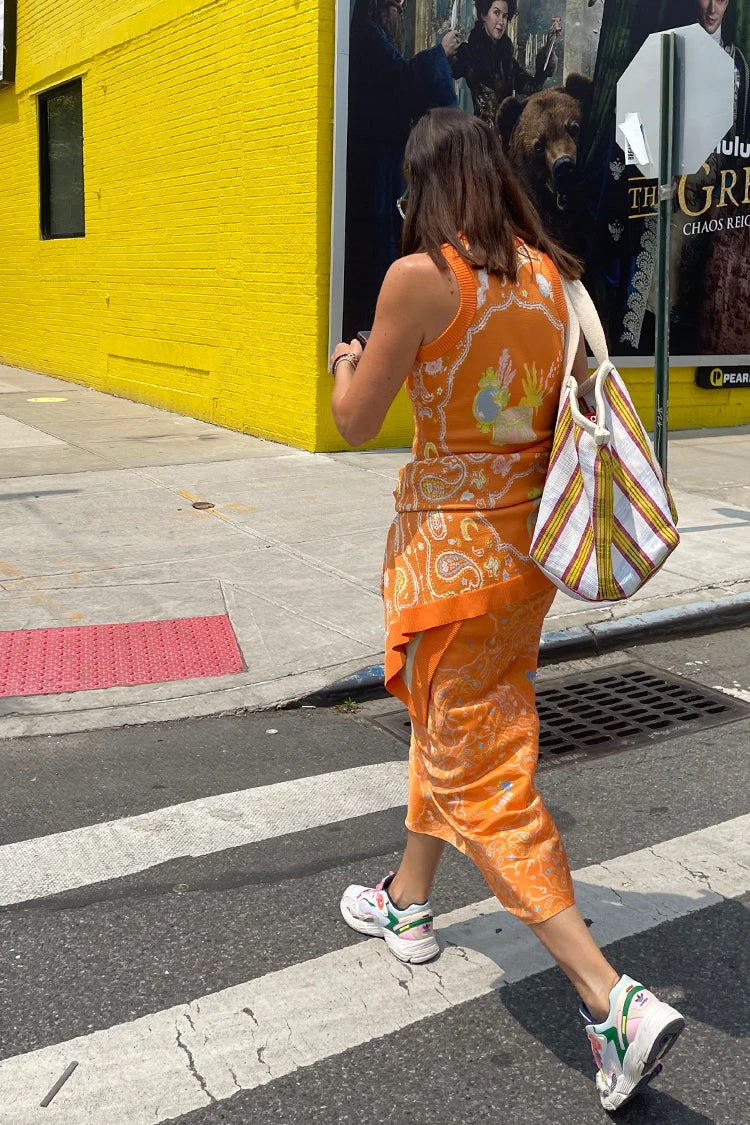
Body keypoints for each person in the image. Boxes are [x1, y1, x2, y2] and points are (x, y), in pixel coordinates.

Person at [329, 107, 685, 1114]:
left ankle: (609, 999)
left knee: (485, 777)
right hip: (526, 563)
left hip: (447, 562)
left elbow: (355, 424)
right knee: (459, 728)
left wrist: (351, 365)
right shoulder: (553, 280)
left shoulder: (419, 278)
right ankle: (405, 902)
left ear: (426, 184)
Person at [343, 0, 460, 341]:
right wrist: (439, 52)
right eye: (397, 3)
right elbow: (400, 82)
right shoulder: (365, 35)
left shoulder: (372, 35)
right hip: (373, 168)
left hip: (381, 164)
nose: (402, 8)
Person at [451, 0, 561, 127]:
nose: (501, 22)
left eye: (505, 16)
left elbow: (532, 86)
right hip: (483, 135)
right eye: (496, 13)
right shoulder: (469, 53)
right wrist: (446, 51)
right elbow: (444, 74)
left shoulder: (506, 57)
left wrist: (550, 43)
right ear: (484, 15)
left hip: (506, 135)